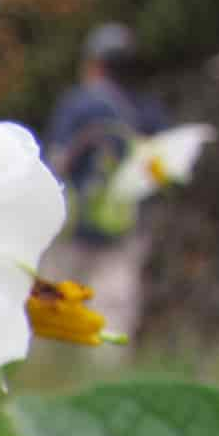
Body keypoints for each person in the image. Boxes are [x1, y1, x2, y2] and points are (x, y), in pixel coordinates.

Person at [41, 22, 168, 338]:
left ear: (95, 63)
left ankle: (44, 373)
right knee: (112, 312)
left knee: (49, 303)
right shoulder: (147, 111)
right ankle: (104, 375)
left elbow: (54, 162)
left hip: (71, 227)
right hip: (124, 230)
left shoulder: (79, 104)